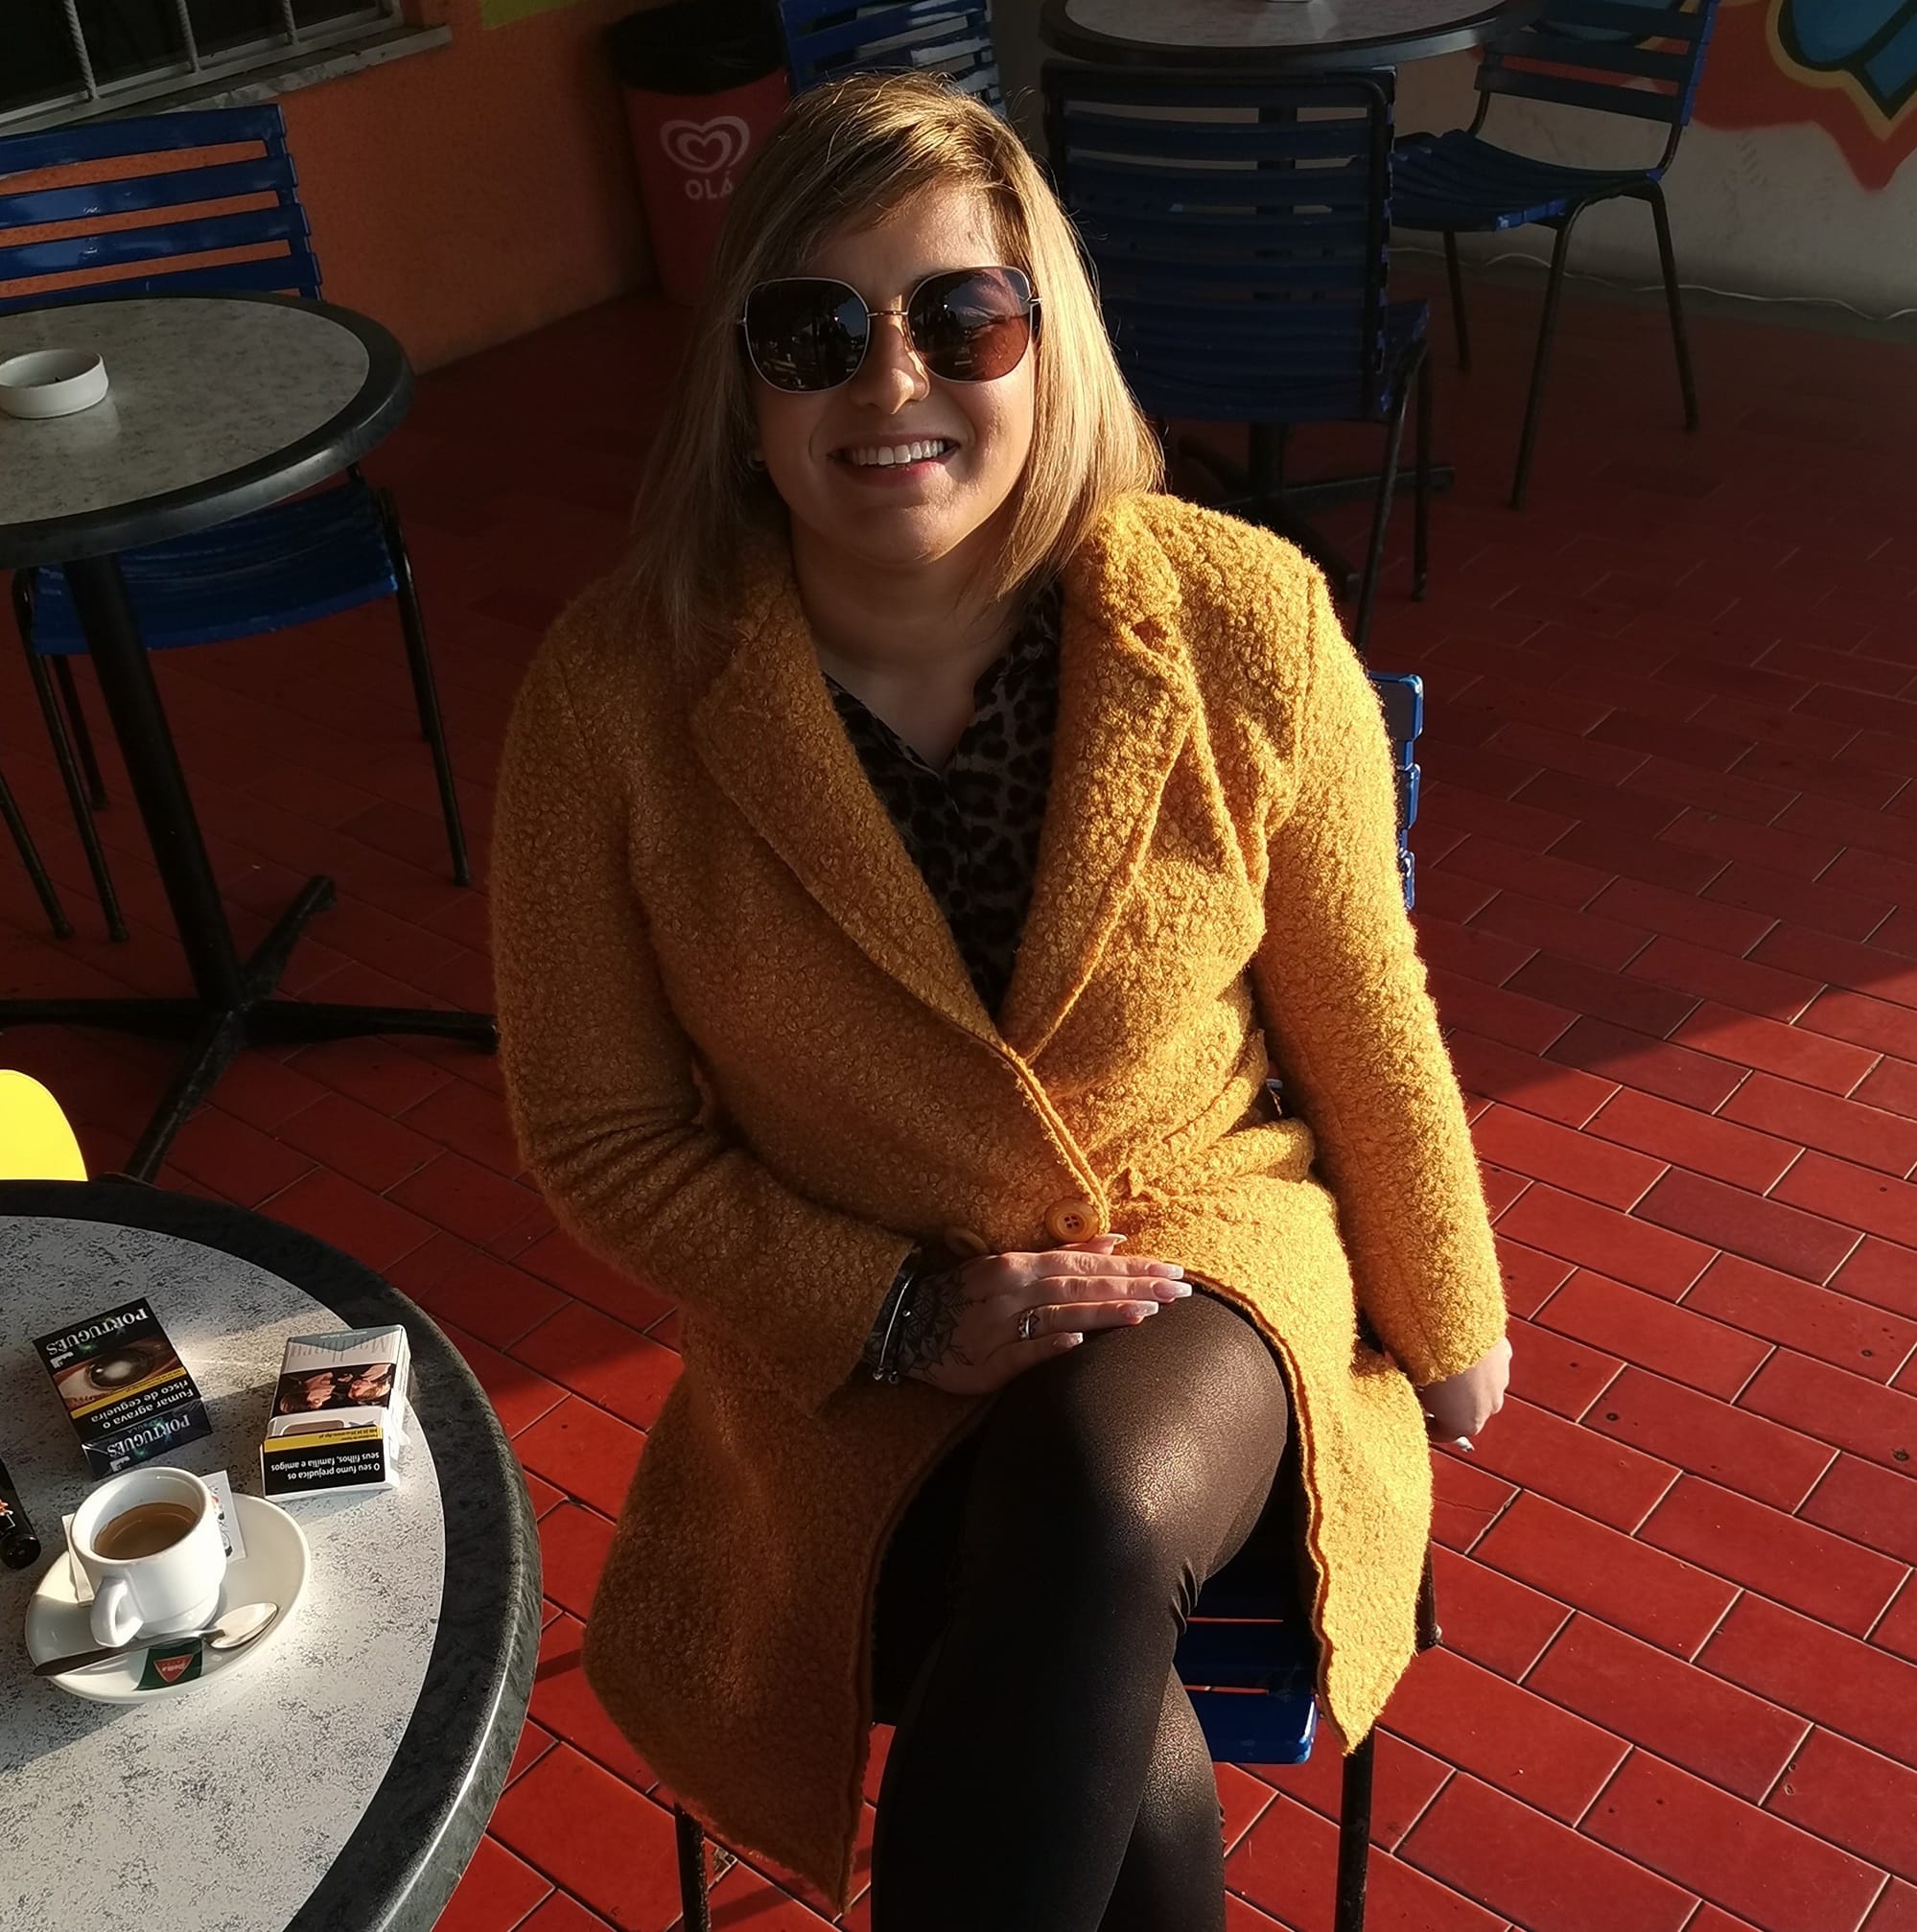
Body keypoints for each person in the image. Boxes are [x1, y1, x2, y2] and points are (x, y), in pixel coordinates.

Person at [490, 72, 1510, 1932]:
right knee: (1092, 1685)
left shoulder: (1240, 617)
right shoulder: (612, 698)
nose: (893, 384)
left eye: (963, 317)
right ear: (743, 383)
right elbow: (597, 1132)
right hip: (850, 1335)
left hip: (1195, 1256)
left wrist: (1450, 1320)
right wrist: (896, 1312)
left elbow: (1365, 1012)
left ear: (1051, 345)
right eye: (817, 333)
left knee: (1094, 1502)